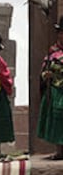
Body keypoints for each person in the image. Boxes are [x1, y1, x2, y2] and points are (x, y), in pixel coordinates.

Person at [37, 17, 63, 160]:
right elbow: (44, 68)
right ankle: (59, 151)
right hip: (56, 90)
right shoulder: (52, 52)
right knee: (57, 120)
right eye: (61, 33)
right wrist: (45, 75)